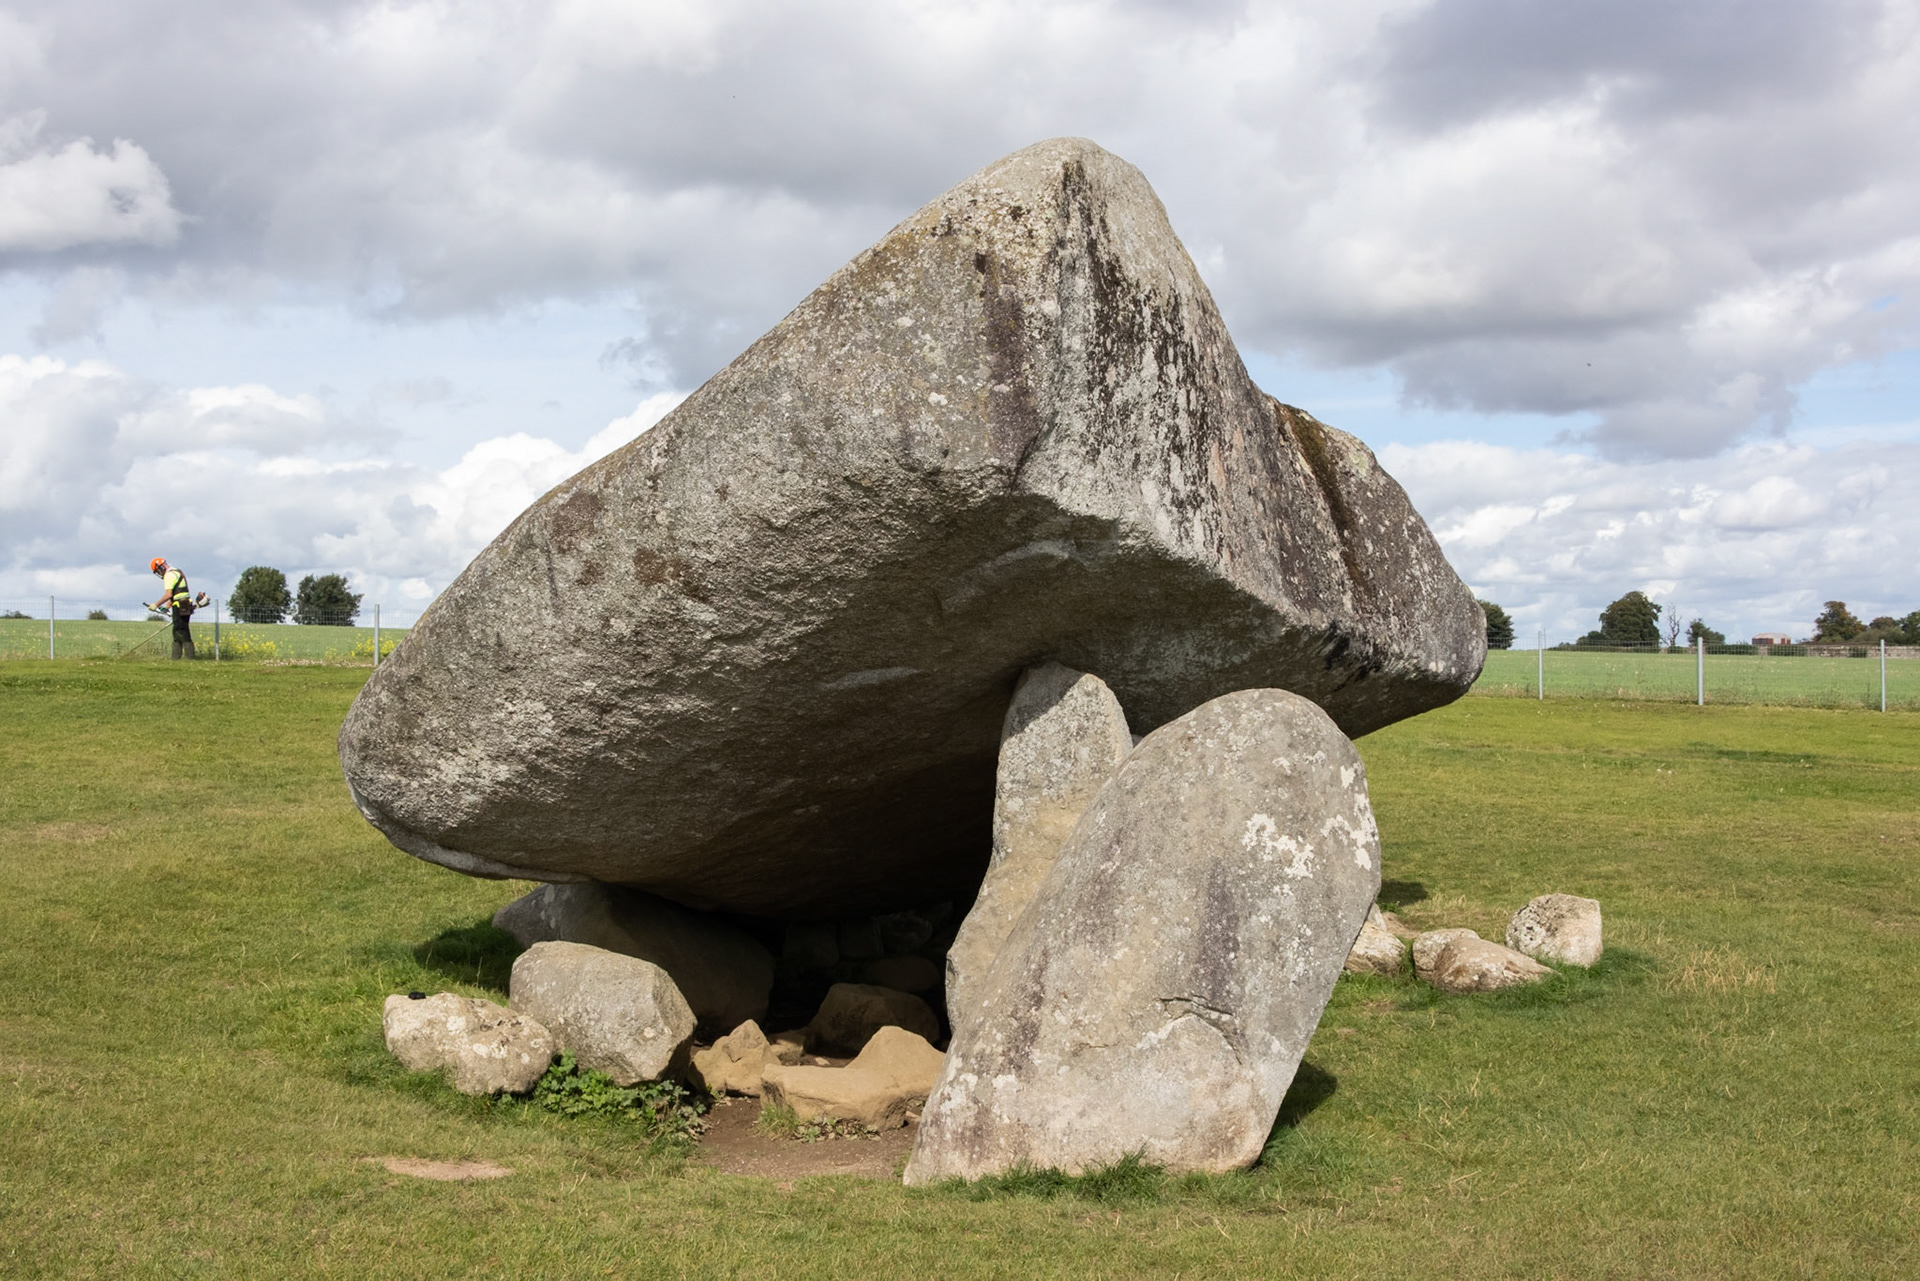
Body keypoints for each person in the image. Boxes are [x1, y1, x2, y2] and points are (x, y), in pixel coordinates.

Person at [149, 557, 210, 660]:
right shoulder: (177, 571)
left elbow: (169, 594)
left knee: (181, 630)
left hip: (180, 605)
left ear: (160, 568)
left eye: (157, 571)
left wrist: (156, 605)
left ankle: (188, 658)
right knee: (179, 630)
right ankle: (176, 658)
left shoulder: (169, 575)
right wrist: (167, 606)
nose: (159, 573)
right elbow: (179, 592)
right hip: (184, 603)